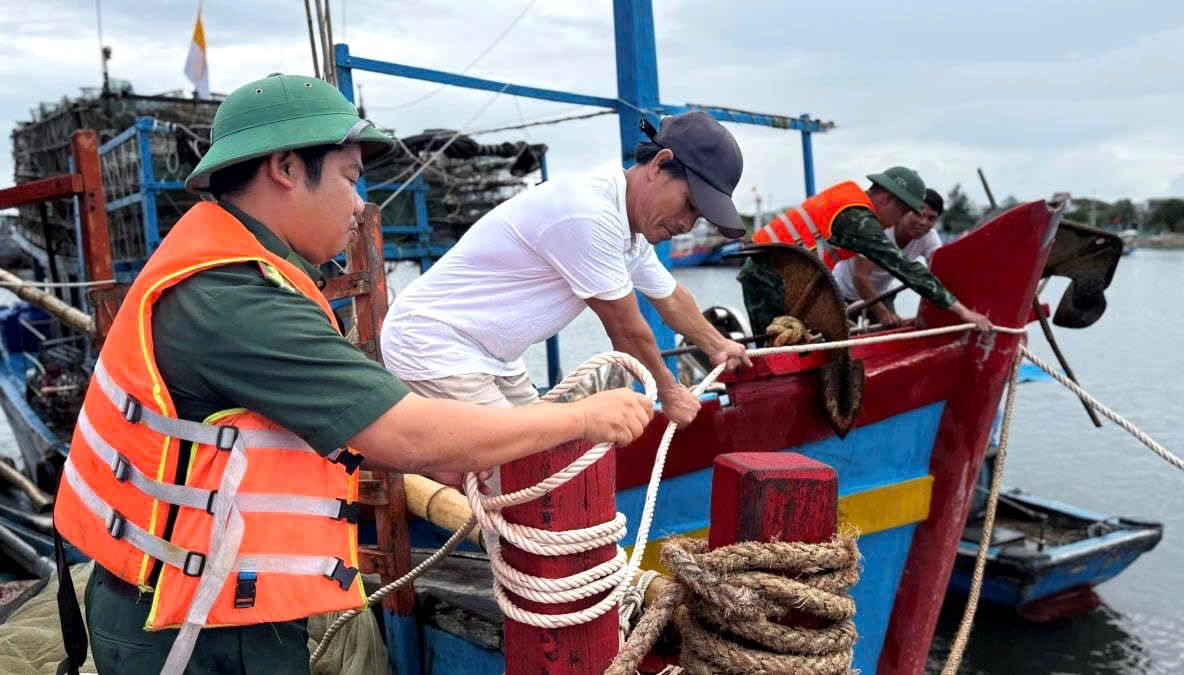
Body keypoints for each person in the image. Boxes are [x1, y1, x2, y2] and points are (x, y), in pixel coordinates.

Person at [51, 74, 652, 675]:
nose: (361, 205)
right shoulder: (237, 300)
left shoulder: (226, 268)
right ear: (287, 168)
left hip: (185, 598)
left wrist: (448, 457)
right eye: (349, 177)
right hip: (194, 631)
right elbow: (404, 432)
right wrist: (578, 417)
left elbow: (332, 425)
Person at [379, 111, 752, 429]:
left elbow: (671, 298)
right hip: (435, 340)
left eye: (698, 217)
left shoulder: (629, 226)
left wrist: (717, 345)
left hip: (494, 355)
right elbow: (626, 330)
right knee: (516, 467)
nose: (687, 224)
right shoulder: (590, 214)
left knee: (547, 462)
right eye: (689, 204)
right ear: (658, 165)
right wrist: (669, 393)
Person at [736, 167, 992, 336]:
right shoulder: (857, 219)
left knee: (799, 342)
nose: (899, 220)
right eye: (903, 212)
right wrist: (962, 311)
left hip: (782, 276)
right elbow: (903, 267)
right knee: (778, 348)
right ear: (886, 199)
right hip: (768, 278)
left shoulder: (851, 200)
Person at [832, 188, 944, 326]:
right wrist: (883, 314)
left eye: (931, 218)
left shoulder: (929, 237)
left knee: (896, 328)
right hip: (843, 292)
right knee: (841, 335)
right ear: (904, 212)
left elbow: (939, 275)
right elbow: (859, 277)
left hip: (880, 293)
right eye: (918, 214)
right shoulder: (879, 229)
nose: (923, 222)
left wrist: (923, 314)